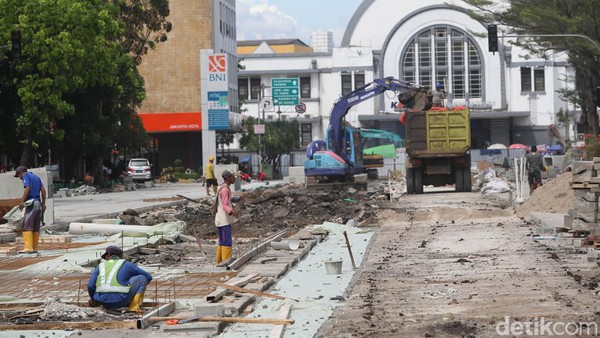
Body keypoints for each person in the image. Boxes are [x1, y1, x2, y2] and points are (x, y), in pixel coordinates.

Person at [87, 245, 152, 313]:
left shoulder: (100, 266)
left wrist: (93, 299)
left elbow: (90, 286)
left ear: (108, 255)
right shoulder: (127, 264)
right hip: (120, 300)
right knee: (141, 278)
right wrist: (131, 292)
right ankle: (134, 306)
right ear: (121, 256)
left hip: (101, 301)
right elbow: (148, 277)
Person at [14, 166, 46, 254]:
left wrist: (22, 201)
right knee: (36, 226)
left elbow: (27, 187)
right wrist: (43, 203)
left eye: (19, 176)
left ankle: (28, 247)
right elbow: (43, 190)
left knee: (27, 225)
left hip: (32, 203)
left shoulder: (26, 176)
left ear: (20, 172)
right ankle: (34, 247)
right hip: (38, 204)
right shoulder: (36, 177)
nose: (20, 178)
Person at [214, 170, 239, 265]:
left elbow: (226, 200)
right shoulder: (225, 190)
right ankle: (226, 263)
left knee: (222, 241)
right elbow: (225, 205)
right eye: (233, 177)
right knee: (227, 241)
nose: (235, 178)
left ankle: (219, 262)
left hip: (220, 219)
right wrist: (232, 211)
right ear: (228, 178)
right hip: (224, 220)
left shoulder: (222, 187)